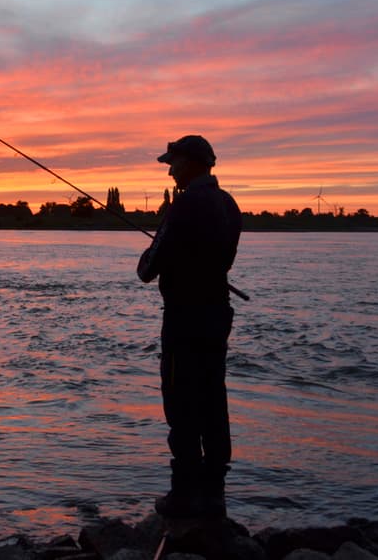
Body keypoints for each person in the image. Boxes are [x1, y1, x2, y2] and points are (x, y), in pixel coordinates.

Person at [137, 134, 241, 520]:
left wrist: (150, 253)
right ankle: (214, 496)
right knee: (213, 400)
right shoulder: (229, 204)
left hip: (183, 317)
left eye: (173, 162)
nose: (169, 169)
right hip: (217, 314)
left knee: (181, 401)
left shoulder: (183, 206)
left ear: (193, 163)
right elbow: (218, 259)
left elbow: (148, 269)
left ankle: (182, 496)